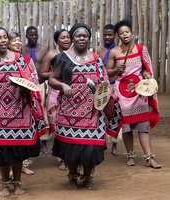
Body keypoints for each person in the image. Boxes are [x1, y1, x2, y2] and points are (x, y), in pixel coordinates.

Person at [49, 23, 122, 190]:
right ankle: (73, 176)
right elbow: (52, 79)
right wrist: (62, 86)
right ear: (73, 38)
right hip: (69, 111)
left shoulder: (96, 58)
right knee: (72, 146)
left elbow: (104, 80)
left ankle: (88, 176)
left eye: (85, 36)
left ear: (89, 38)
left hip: (93, 110)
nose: (81, 38)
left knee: (92, 145)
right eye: (78, 36)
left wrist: (102, 90)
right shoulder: (63, 57)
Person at [0, 27, 46, 196]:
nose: (3, 40)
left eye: (5, 37)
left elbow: (33, 84)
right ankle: (5, 183)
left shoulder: (22, 60)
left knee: (18, 150)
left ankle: (17, 181)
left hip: (20, 111)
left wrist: (23, 85)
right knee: (2, 151)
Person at [106, 19, 161, 168]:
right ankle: (130, 156)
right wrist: (117, 70)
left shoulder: (140, 48)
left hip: (139, 93)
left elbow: (145, 67)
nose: (125, 35)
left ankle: (149, 158)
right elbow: (107, 73)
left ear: (132, 33)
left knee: (143, 126)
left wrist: (146, 74)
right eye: (121, 33)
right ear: (118, 36)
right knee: (127, 127)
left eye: (127, 32)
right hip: (122, 94)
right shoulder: (114, 52)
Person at [40, 29, 71, 170]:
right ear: (57, 40)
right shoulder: (51, 54)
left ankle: (70, 155)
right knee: (57, 126)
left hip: (71, 92)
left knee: (70, 124)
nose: (66, 40)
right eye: (63, 38)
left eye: (68, 37)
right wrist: (56, 75)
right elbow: (43, 73)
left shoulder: (74, 54)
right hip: (55, 93)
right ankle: (62, 157)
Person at [8, 31, 35, 176]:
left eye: (19, 41)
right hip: (8, 103)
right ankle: (11, 168)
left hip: (24, 101)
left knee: (24, 134)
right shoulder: (3, 60)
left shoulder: (27, 60)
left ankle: (23, 164)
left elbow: (34, 78)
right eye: (14, 41)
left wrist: (29, 86)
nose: (17, 43)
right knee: (10, 137)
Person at [22, 26, 49, 155]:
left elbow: (48, 66)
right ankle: (31, 140)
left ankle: (43, 141)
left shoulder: (44, 49)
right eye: (30, 35)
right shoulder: (22, 49)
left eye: (35, 35)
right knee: (29, 111)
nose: (33, 37)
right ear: (26, 36)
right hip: (26, 85)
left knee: (41, 111)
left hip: (40, 83)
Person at [97, 24, 121, 156]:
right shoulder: (98, 50)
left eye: (110, 34)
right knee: (101, 113)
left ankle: (115, 144)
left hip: (115, 84)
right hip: (102, 85)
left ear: (114, 35)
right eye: (105, 34)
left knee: (116, 113)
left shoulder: (118, 50)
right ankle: (102, 142)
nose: (107, 37)